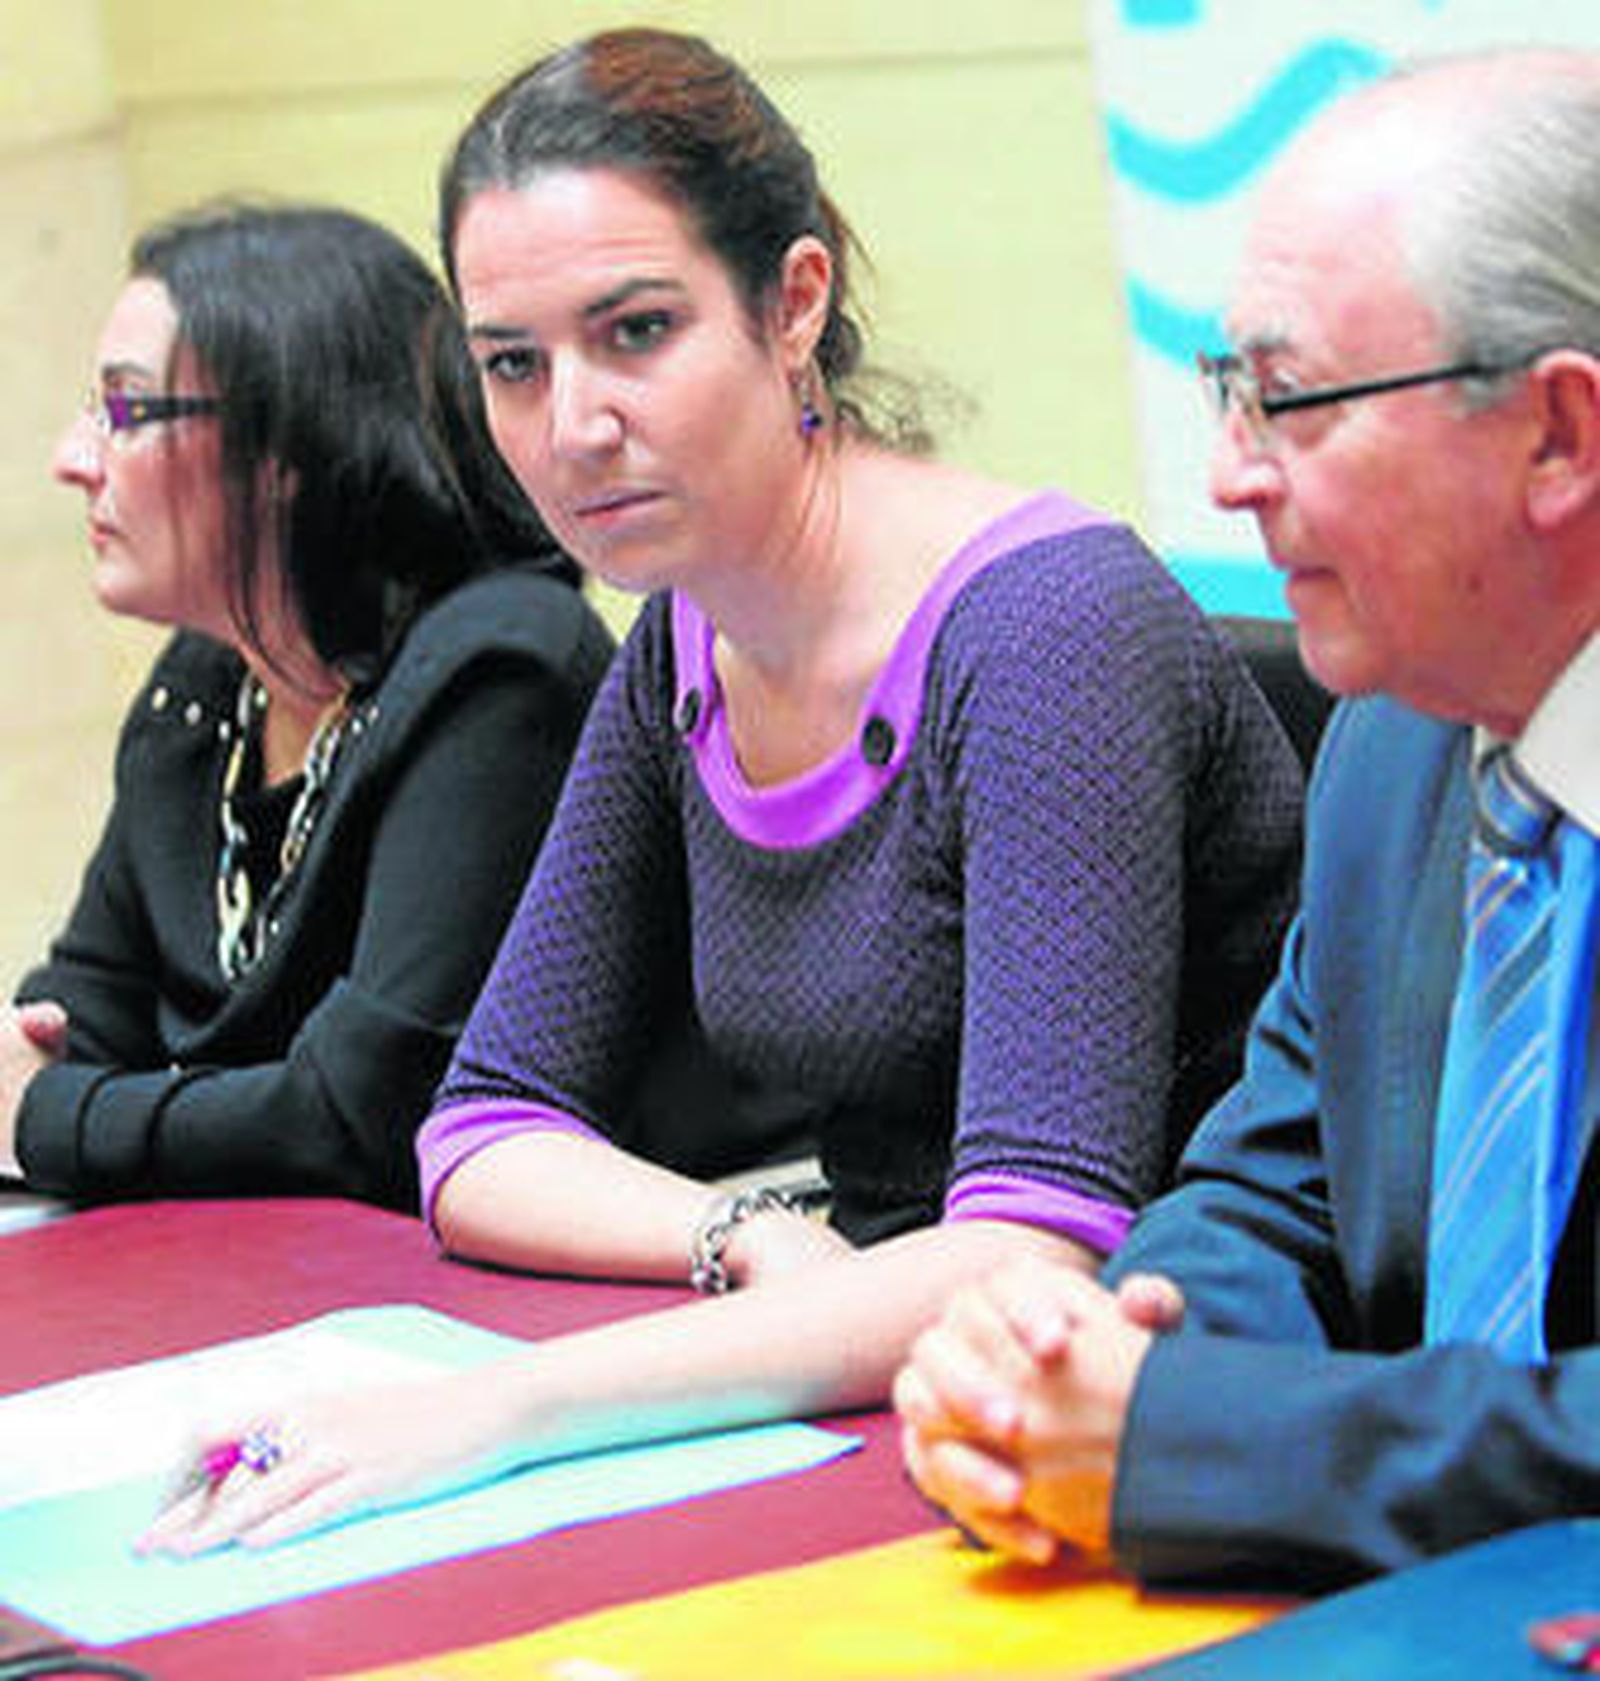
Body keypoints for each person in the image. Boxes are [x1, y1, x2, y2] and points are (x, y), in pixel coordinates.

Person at [140, 27, 1301, 1554]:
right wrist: (744, 1227)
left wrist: (497, 1413)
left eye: (636, 331)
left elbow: (1032, 1251)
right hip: (888, 1376)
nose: (572, 424)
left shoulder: (1043, 630)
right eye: (513, 364)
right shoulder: (681, 636)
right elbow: (481, 1132)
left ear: (794, 304)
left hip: (1172, 1422)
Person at [896, 46, 1600, 1591]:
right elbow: (1266, 1191)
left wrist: (1196, 1447)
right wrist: (1080, 1367)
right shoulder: (1394, 741)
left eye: (1287, 402)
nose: (1228, 478)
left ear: (1558, 435)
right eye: (1232, 396)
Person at [6, 201, 616, 1210]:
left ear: (285, 446)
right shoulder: (208, 682)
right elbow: (85, 1013)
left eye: (124, 410)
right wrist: (37, 1076)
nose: (73, 458)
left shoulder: (502, 669)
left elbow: (362, 1118)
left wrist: (49, 1116)